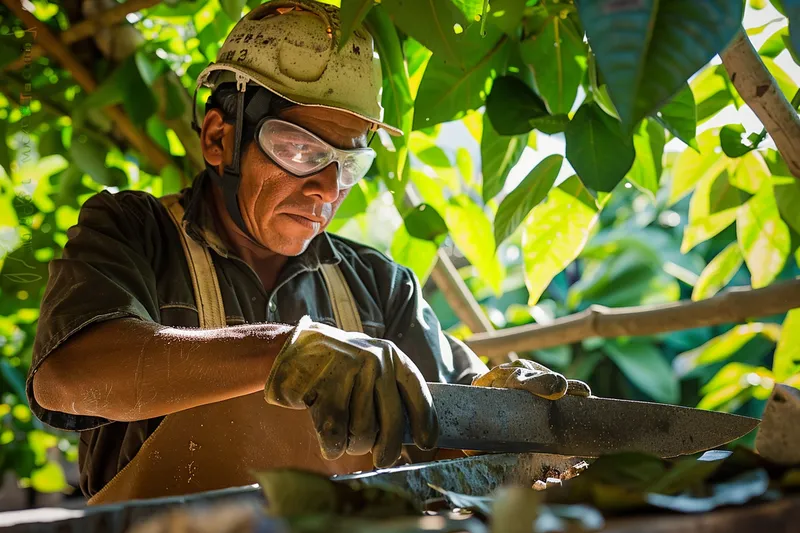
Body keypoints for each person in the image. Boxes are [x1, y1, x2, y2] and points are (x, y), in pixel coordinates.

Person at [26, 0, 590, 505]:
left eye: (348, 164)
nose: (327, 189)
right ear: (220, 138)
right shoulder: (134, 232)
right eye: (299, 150)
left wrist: (503, 406)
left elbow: (451, 427)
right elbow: (68, 377)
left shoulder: (379, 286)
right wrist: (283, 352)